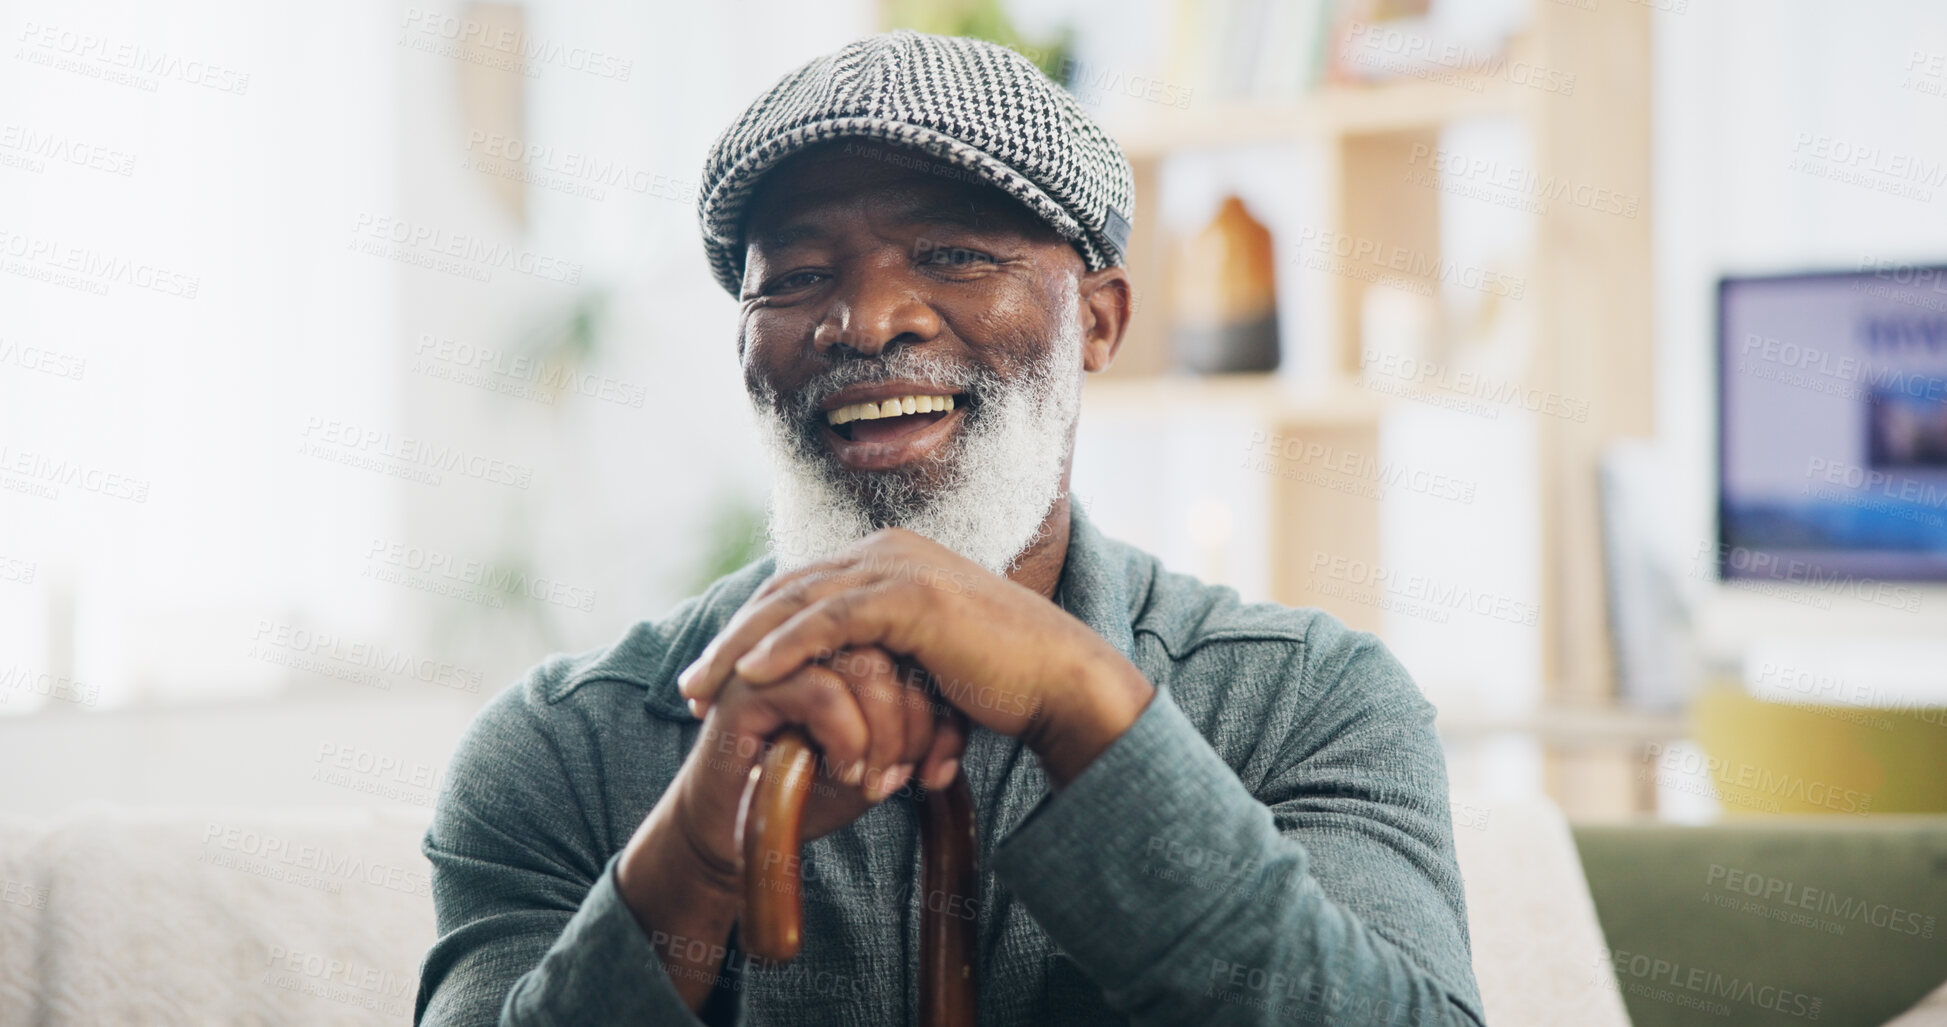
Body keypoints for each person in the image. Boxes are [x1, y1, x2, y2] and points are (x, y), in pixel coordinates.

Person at [414, 29, 1484, 1027]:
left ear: (1100, 321)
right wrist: (695, 857)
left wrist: (1087, 708)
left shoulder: (1306, 701)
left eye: (956, 255)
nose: (869, 320)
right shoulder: (562, 747)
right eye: (794, 278)